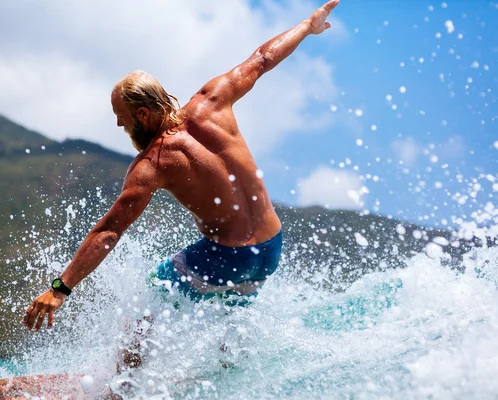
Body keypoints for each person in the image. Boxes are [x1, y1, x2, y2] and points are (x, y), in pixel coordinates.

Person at [23, 0, 339, 333]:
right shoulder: (212, 100)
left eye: (122, 118)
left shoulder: (151, 165)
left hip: (228, 257)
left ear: (143, 115)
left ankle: (121, 386)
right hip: (271, 247)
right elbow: (261, 59)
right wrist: (308, 25)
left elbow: (108, 232)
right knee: (227, 326)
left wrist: (60, 289)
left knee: (144, 309)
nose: (120, 126)